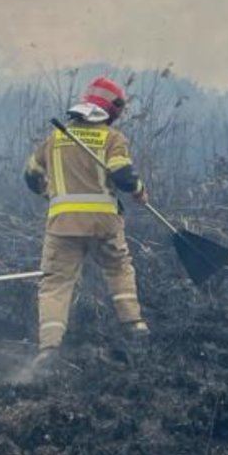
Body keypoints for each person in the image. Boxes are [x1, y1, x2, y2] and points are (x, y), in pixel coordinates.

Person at [24, 76, 149, 368]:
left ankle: (49, 348)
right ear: (112, 108)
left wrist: (47, 191)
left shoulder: (56, 138)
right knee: (118, 269)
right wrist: (140, 191)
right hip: (104, 224)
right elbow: (123, 175)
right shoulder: (112, 138)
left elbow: (30, 174)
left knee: (55, 283)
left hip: (62, 226)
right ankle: (135, 326)